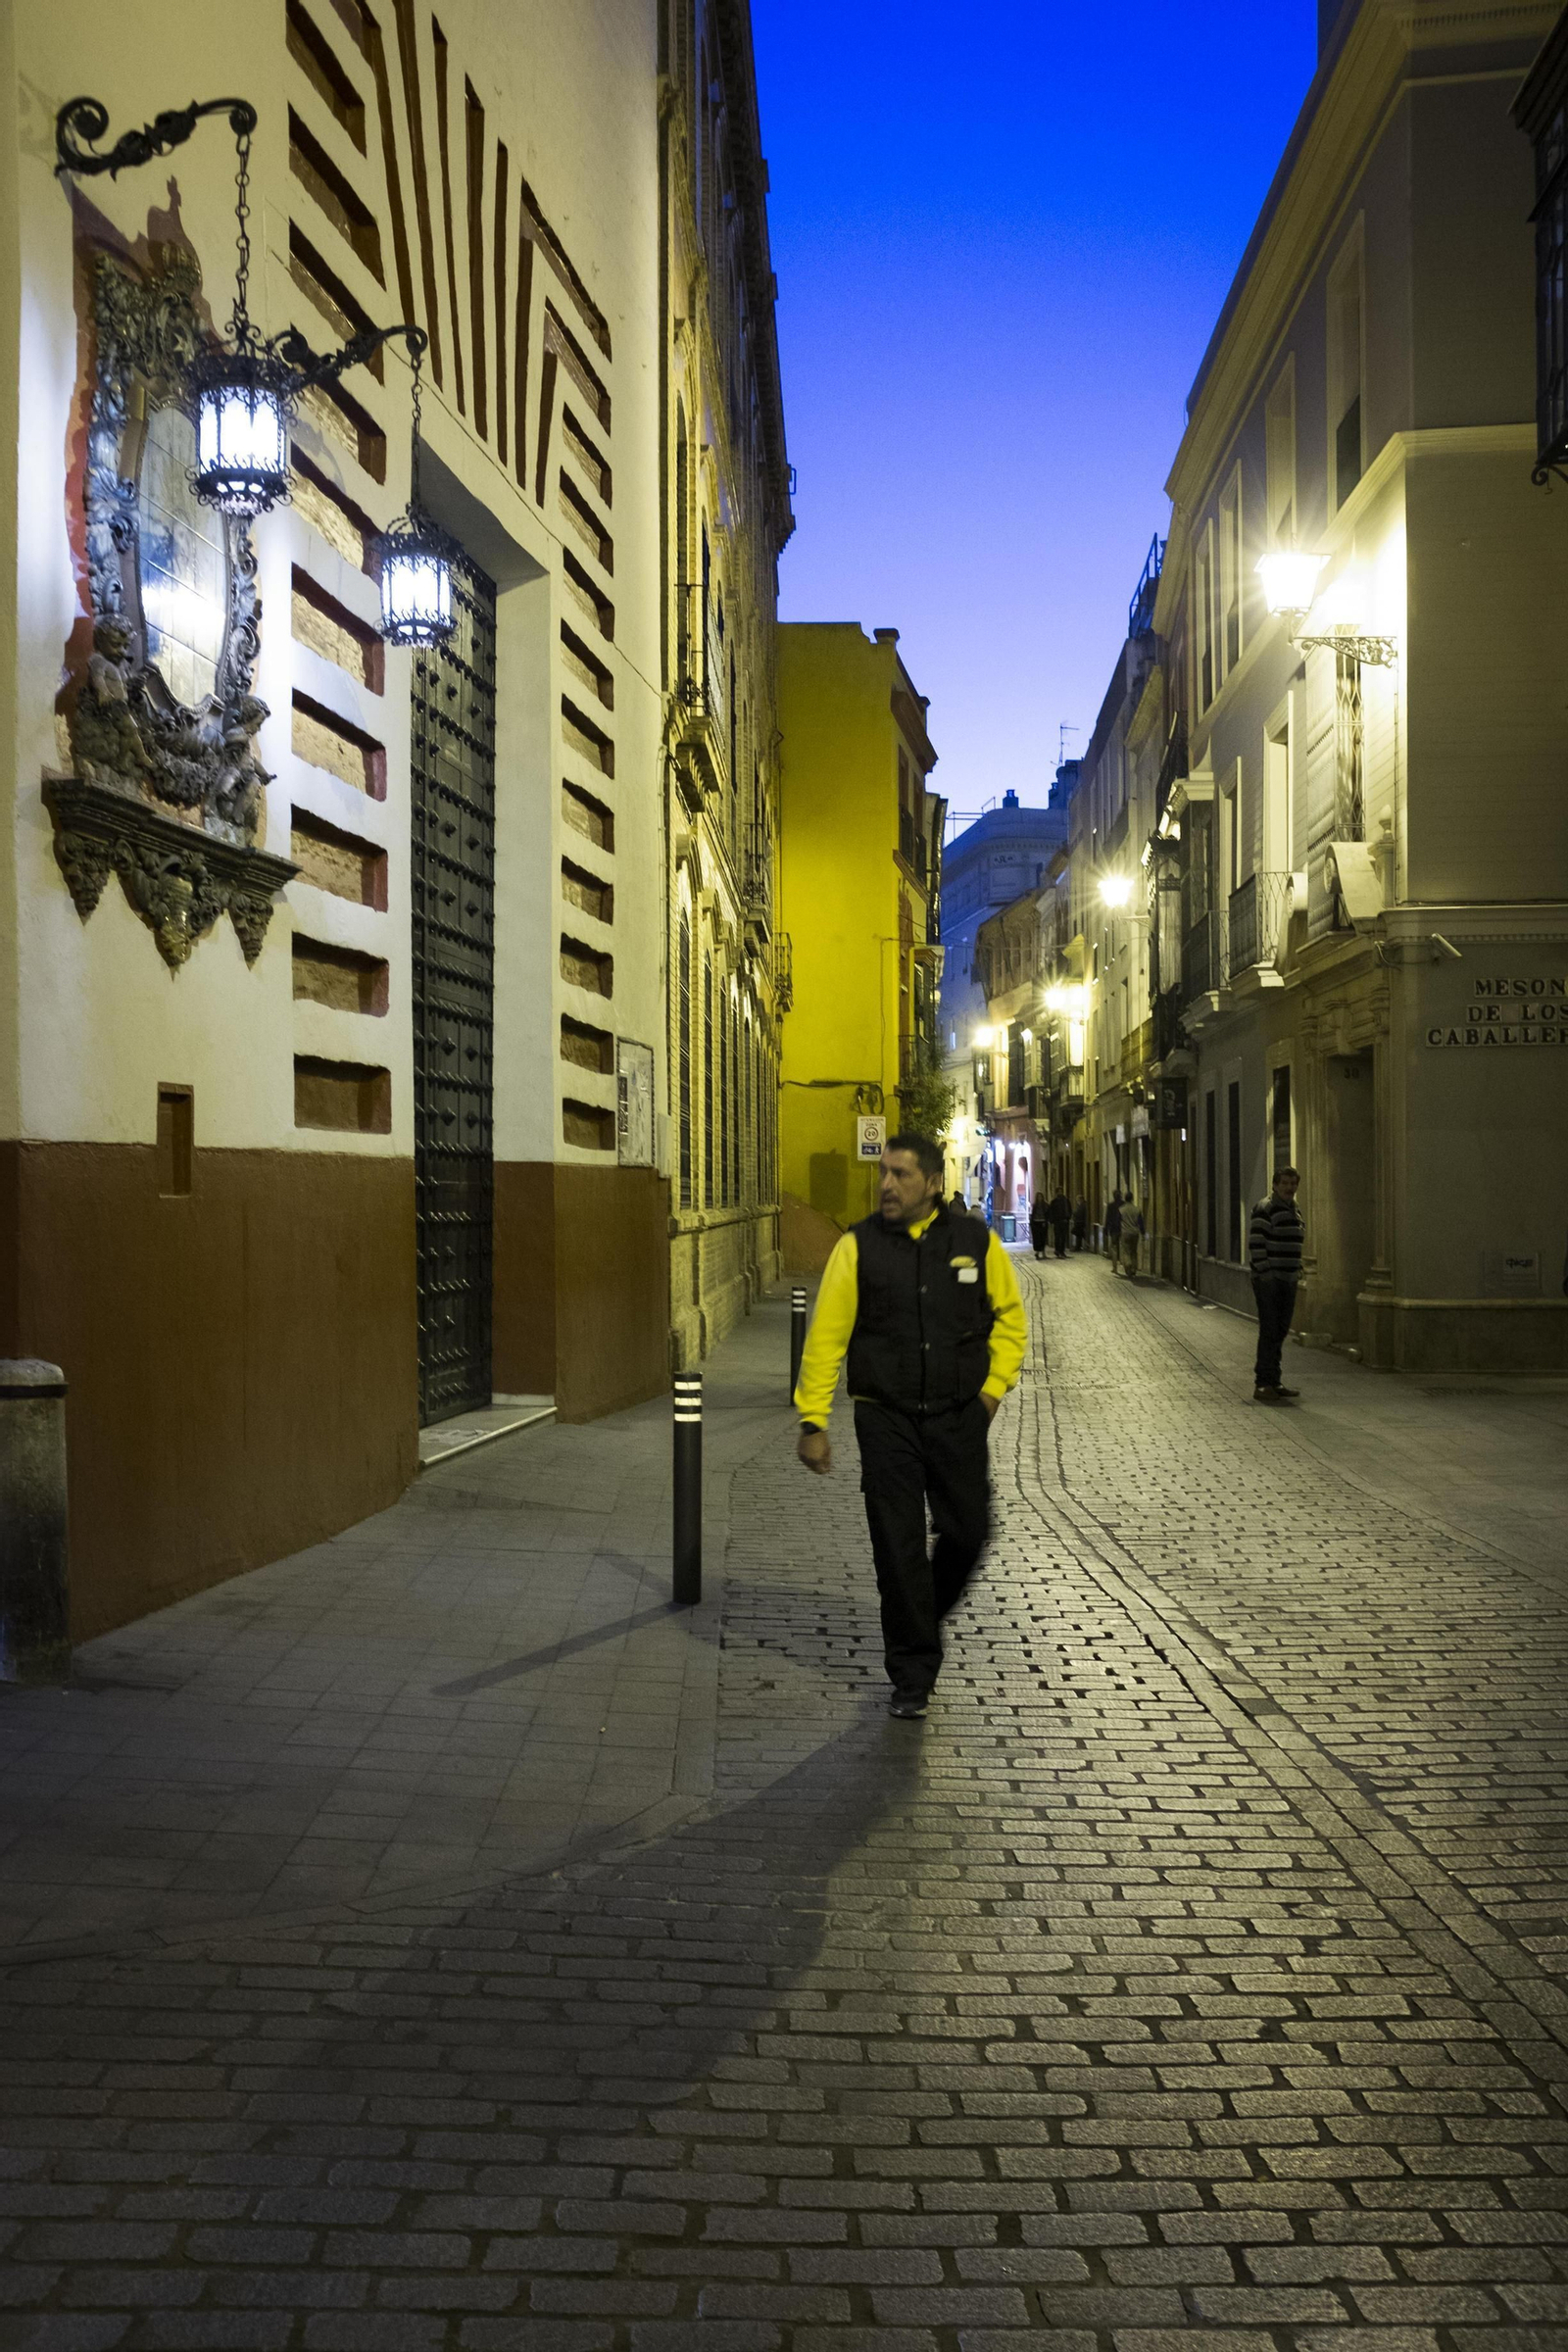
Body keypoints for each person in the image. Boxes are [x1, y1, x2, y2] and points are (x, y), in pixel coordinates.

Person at [795, 1132, 1027, 1719]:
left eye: (901, 1175)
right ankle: (912, 1675)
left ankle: (919, 1615)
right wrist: (813, 1419)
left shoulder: (975, 1242)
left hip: (958, 1417)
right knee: (897, 1550)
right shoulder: (857, 1246)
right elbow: (827, 1336)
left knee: (968, 1532)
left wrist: (991, 1394)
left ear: (933, 1183)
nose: (887, 1185)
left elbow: (1010, 1322)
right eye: (884, 1174)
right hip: (886, 1418)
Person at [1249, 1165, 1304, 1401]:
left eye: (1293, 1184)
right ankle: (1263, 1384)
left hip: (1288, 1279)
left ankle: (1274, 1380)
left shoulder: (1294, 1209)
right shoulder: (1265, 1208)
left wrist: (1297, 1269)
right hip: (1270, 1281)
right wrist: (1266, 1274)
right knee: (1270, 1330)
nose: (1290, 1188)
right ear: (1275, 1185)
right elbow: (1256, 1243)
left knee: (1281, 1330)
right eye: (1285, 1183)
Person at [1118, 1196, 1145, 1278]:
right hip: (1135, 1233)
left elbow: (1118, 1221)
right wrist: (1143, 1232)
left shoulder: (1121, 1209)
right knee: (1134, 1251)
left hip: (1125, 1232)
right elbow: (1140, 1222)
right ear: (1132, 1199)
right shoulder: (1137, 1210)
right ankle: (1134, 1268)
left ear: (1125, 1199)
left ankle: (1128, 1264)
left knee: (1126, 1251)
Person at [1048, 1191, 1071, 1257]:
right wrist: (1052, 1220)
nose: (1060, 1193)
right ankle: (1057, 1250)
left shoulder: (1066, 1201)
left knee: (1063, 1237)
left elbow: (1069, 1210)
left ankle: (1062, 1251)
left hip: (1064, 1221)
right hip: (1057, 1222)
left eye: (1061, 1191)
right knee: (1057, 1237)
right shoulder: (1054, 1202)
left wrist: (1068, 1218)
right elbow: (1051, 1211)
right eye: (1058, 1192)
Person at [1028, 1193, 1050, 1259]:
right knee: (1037, 1239)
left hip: (1043, 1222)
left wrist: (1046, 1221)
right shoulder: (1034, 1205)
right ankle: (1037, 1252)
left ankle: (1043, 1253)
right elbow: (1032, 1214)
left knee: (1043, 1238)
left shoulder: (1045, 1205)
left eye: (1040, 1197)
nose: (1039, 1198)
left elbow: (1047, 1214)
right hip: (1036, 1223)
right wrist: (1032, 1223)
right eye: (1038, 1197)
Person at [1103, 1191, 1123, 1260]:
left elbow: (1108, 1218)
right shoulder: (1124, 1204)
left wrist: (1106, 1229)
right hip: (1122, 1228)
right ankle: (1122, 1260)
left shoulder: (1110, 1205)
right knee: (1122, 1245)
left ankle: (1115, 1262)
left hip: (1113, 1228)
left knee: (1114, 1245)